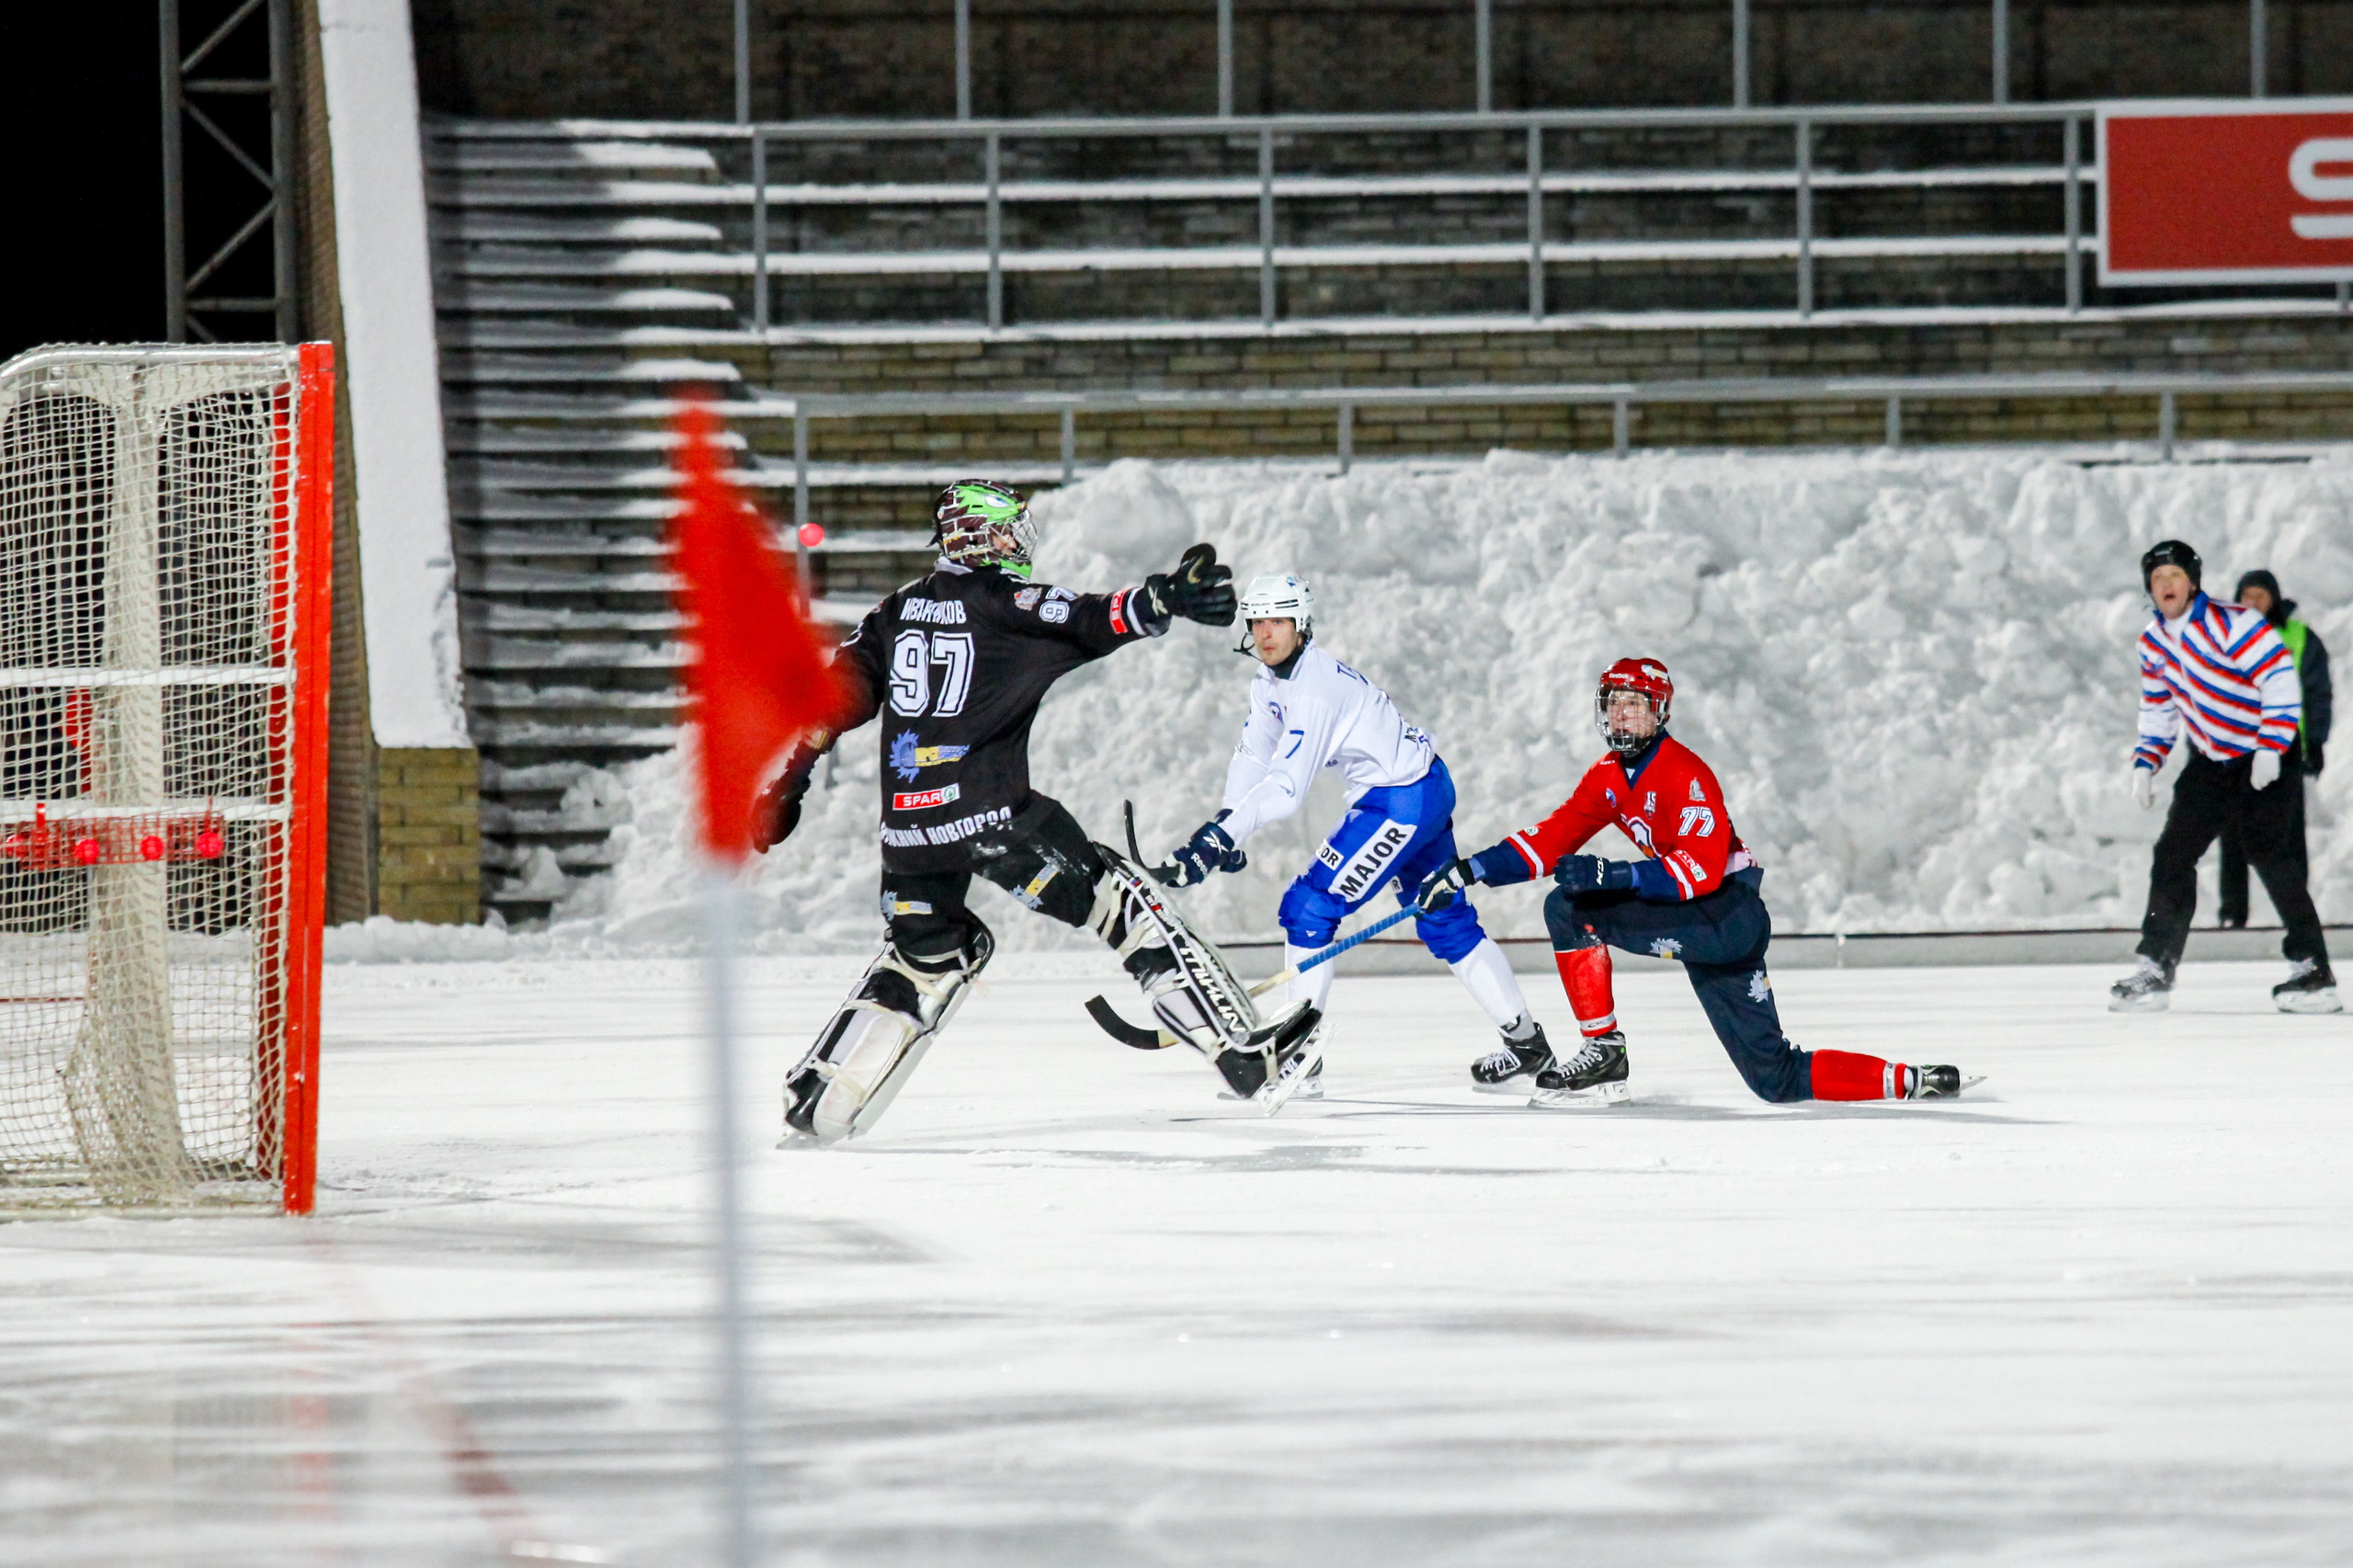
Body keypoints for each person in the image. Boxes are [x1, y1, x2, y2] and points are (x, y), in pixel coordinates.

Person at [757, 482, 1320, 1143]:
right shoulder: (1007, 603)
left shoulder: (895, 611)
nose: (1018, 541)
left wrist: (786, 787)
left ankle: (822, 1094)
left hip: (909, 834)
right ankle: (1242, 1053)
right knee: (1123, 902)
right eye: (1006, 530)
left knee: (926, 956)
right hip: (993, 821)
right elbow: (1092, 617)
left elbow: (832, 700)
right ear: (977, 536)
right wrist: (1165, 597)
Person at [1415, 656, 1965, 1106]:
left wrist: (1615, 872)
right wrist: (1470, 871)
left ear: (1660, 713)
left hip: (1725, 916)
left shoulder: (1685, 773)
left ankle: (1604, 1050)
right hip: (1706, 925)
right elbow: (1551, 837)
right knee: (1775, 1079)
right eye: (1615, 705)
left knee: (1570, 906)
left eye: (1635, 706)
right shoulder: (1608, 777)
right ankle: (1910, 1079)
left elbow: (1698, 873)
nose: (1623, 717)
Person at [1157, 573, 1554, 1095]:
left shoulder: (1315, 689)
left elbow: (1287, 787)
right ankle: (1528, 1044)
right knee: (1445, 920)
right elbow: (1255, 754)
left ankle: (1298, 1057)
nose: (1266, 633)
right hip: (1422, 784)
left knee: (1309, 906)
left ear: (1301, 625)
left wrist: (1221, 837)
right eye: (1257, 621)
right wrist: (1230, 820)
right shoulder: (1269, 681)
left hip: (1402, 800)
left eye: (1278, 621)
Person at [2110, 540, 2336, 1013]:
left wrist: (2272, 748)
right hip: (2211, 763)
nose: (2167, 585)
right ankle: (2156, 966)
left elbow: (2278, 678)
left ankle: (2314, 970)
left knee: (2270, 854)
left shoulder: (2234, 623)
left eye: (2174, 576)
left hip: (2262, 757)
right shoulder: (2153, 643)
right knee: (2172, 854)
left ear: (2192, 582)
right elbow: (2158, 708)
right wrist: (2145, 763)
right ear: (2149, 590)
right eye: (2157, 579)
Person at [2217, 568, 2330, 929]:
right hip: (2235, 748)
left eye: (2260, 596)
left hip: (2284, 747)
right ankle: (2233, 913)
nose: (2253, 603)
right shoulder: (2221, 639)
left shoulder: (2299, 638)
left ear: (2274, 600)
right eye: (2246, 596)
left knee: (2288, 833)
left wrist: (2316, 742)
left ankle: (2299, 917)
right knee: (2233, 834)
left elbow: (2317, 693)